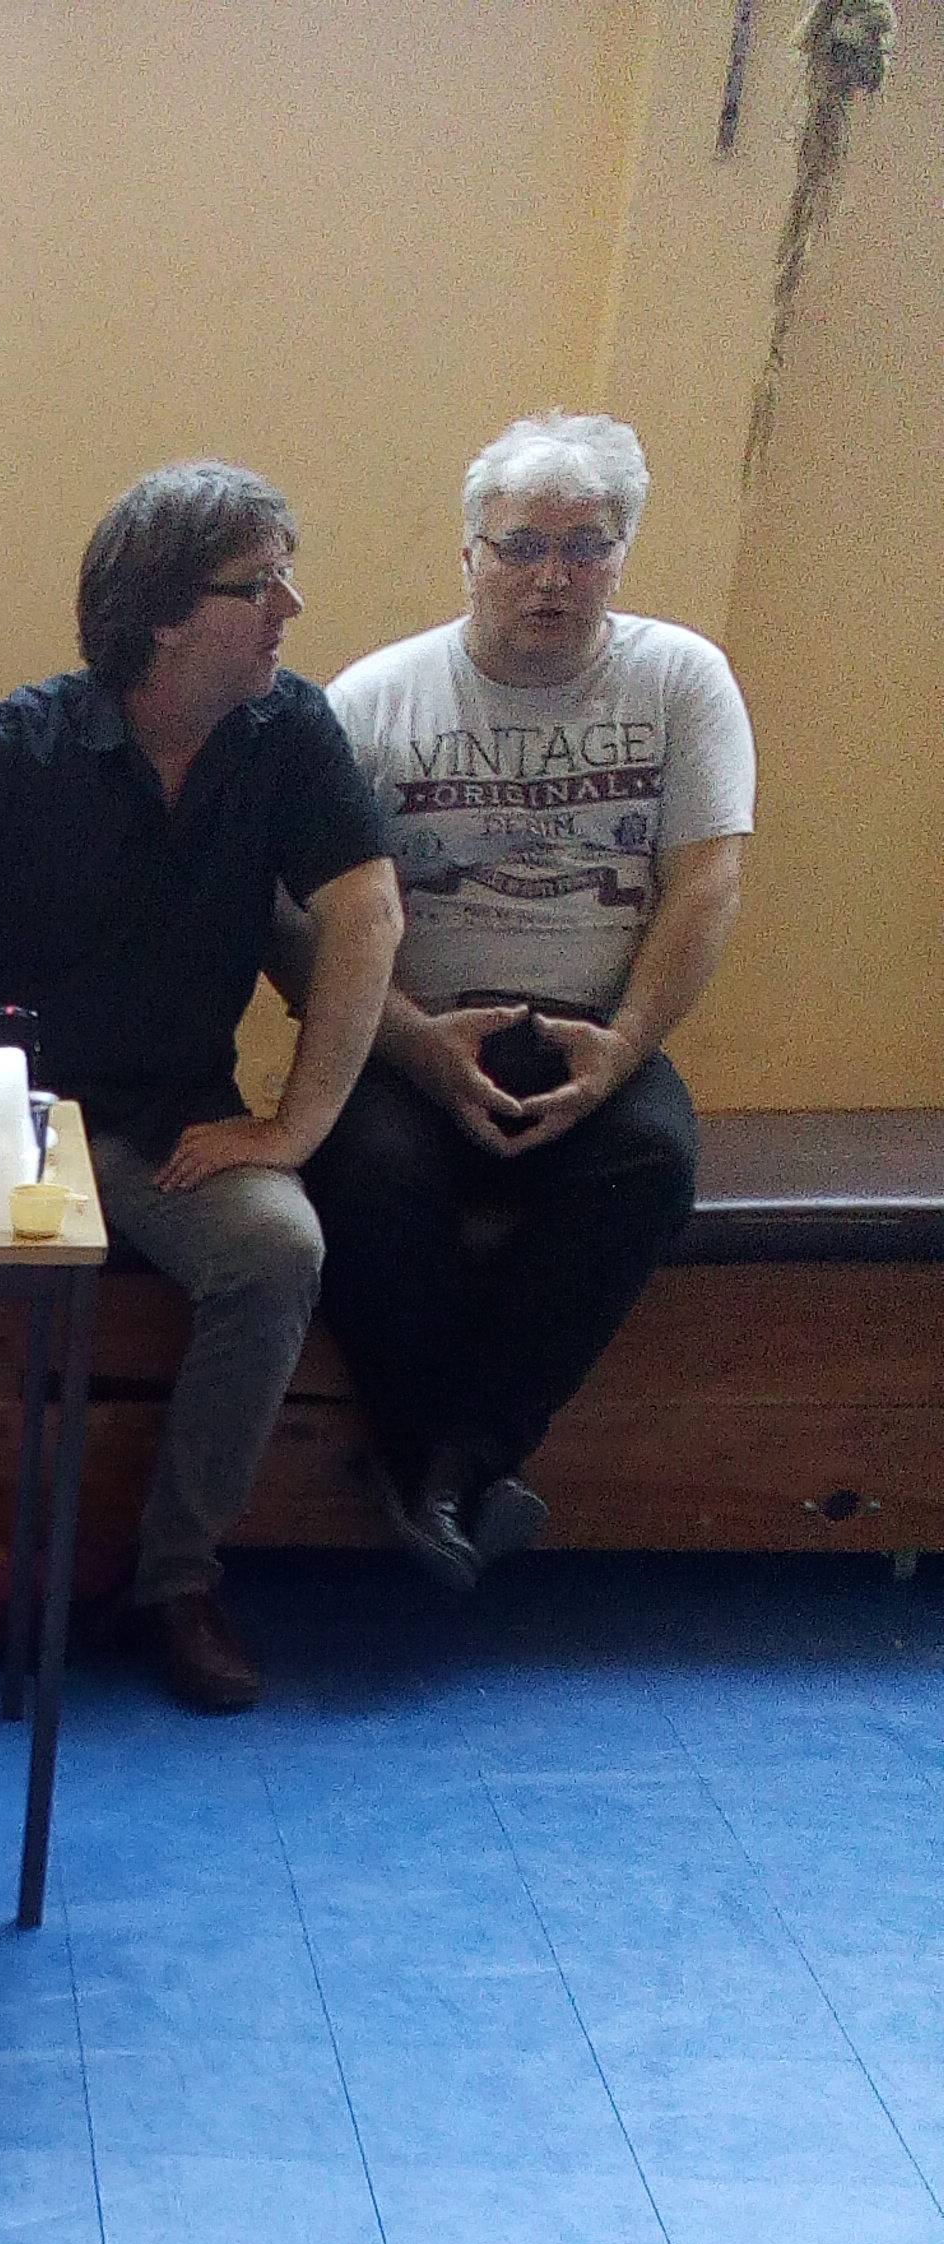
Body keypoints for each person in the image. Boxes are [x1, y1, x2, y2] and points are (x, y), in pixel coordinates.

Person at [0, 462, 403, 1715]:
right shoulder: (21, 741)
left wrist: (295, 1124)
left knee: (277, 1250)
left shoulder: (288, 735)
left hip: (171, 1121)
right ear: (168, 615)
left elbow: (366, 911)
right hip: (2, 1121)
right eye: (261, 584)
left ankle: (176, 1580)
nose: (291, 608)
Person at [293, 412, 752, 1583]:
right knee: (367, 1173)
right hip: (414, 1037)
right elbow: (296, 918)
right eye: (523, 546)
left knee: (650, 1161)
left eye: (586, 547)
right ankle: (452, 1476)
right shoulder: (373, 701)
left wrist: (623, 1047)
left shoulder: (682, 680)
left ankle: (448, 1465)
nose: (555, 576)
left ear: (621, 558)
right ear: (470, 555)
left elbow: (706, 883)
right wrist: (411, 1043)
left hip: (595, 1033)